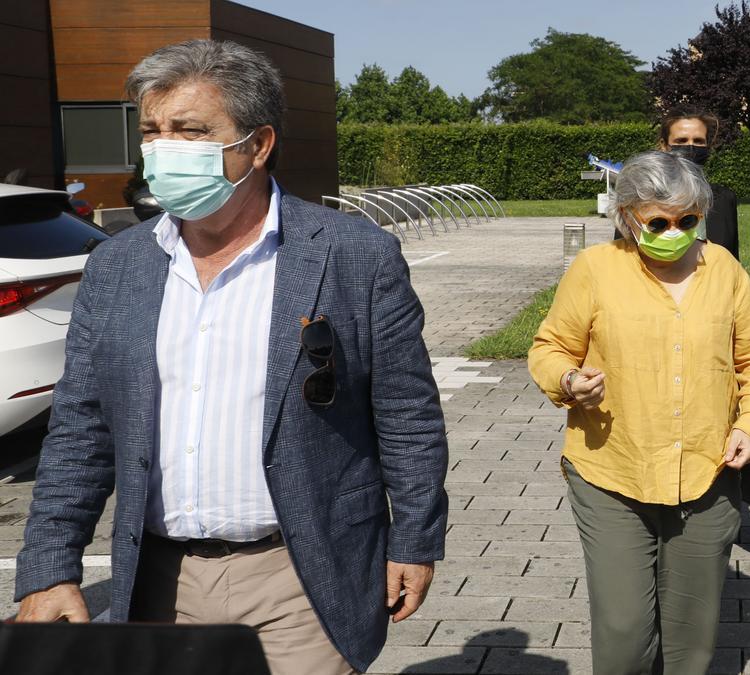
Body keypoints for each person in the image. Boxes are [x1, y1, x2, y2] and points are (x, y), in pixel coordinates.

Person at [13, 40, 449, 675]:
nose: (165, 150)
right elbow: (81, 428)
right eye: (154, 132)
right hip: (158, 585)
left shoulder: (353, 253)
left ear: (258, 144)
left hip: (302, 576)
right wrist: (49, 567)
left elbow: (406, 411)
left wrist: (414, 537)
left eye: (191, 131)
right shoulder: (117, 266)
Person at [531, 150, 750, 674]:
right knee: (624, 635)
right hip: (612, 473)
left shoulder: (725, 271)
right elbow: (550, 347)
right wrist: (569, 380)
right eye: (659, 221)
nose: (674, 231)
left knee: (692, 641)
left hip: (707, 475)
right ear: (627, 218)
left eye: (688, 220)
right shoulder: (595, 269)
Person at [614, 105, 740, 259]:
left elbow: (732, 257)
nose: (691, 147)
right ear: (664, 145)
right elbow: (623, 255)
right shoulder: (641, 199)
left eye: (699, 141)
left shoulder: (724, 199)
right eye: (681, 140)